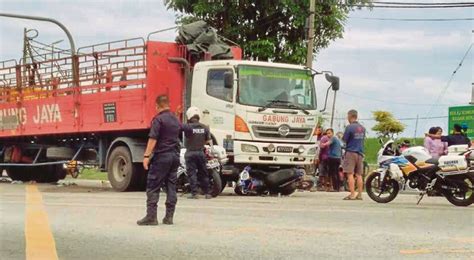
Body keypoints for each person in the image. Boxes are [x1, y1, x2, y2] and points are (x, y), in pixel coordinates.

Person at [137, 95, 180, 226]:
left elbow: (153, 138)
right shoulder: (175, 119)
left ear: (157, 106)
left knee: (153, 185)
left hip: (162, 157)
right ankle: (169, 217)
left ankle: (151, 217)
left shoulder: (158, 119)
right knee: (171, 186)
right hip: (174, 157)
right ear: (168, 104)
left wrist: (146, 156)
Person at [181, 107, 212, 199]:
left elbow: (177, 127)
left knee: (192, 173)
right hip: (200, 153)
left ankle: (194, 193)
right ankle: (207, 193)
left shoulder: (187, 127)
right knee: (204, 173)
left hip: (190, 153)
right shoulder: (205, 127)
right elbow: (208, 140)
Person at [342, 109, 366, 200]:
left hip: (351, 152)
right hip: (360, 153)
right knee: (359, 174)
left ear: (350, 116)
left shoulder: (349, 127)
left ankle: (352, 194)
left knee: (350, 173)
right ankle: (360, 194)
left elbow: (345, 139)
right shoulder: (362, 128)